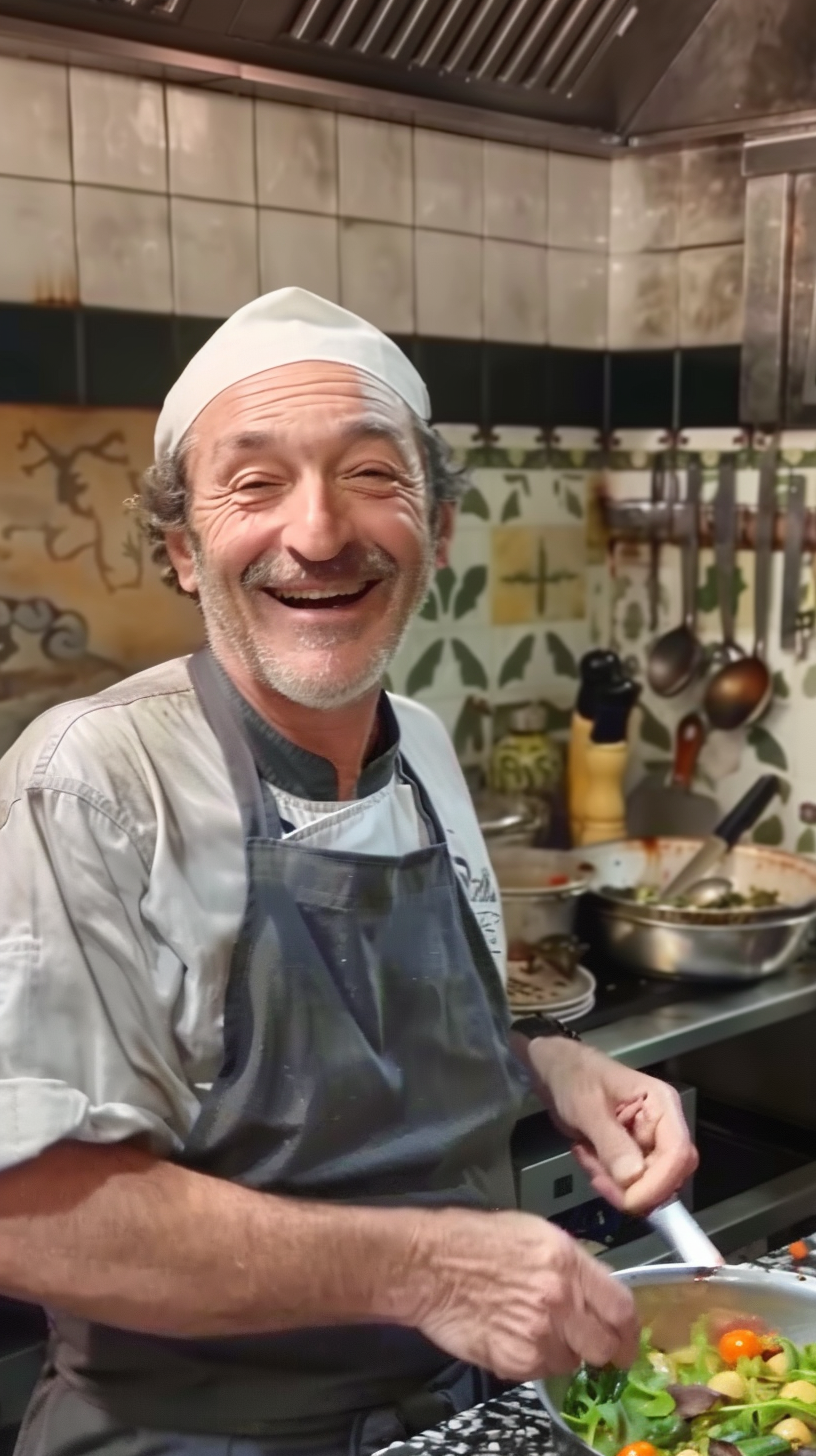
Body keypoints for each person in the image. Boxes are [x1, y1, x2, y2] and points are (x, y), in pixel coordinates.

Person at [0, 289, 697, 1455]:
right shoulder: (90, 785)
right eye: (255, 483)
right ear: (181, 546)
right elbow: (29, 1213)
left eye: (372, 475)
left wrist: (544, 1065)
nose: (320, 534)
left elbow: (370, 1056)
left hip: (466, 1415)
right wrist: (430, 1267)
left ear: (439, 527)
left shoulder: (419, 743)